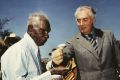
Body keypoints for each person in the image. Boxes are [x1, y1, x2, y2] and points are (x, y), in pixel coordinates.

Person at [1, 12, 68, 80]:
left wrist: (53, 69)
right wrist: (51, 73)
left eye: (48, 32)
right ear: (30, 29)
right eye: (42, 30)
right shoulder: (20, 49)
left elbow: (35, 76)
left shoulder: (32, 49)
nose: (47, 36)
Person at [63, 6, 120, 80]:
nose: (81, 24)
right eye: (78, 20)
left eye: (85, 20)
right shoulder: (72, 42)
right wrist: (57, 58)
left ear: (93, 20)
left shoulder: (108, 35)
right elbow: (63, 56)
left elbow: (118, 60)